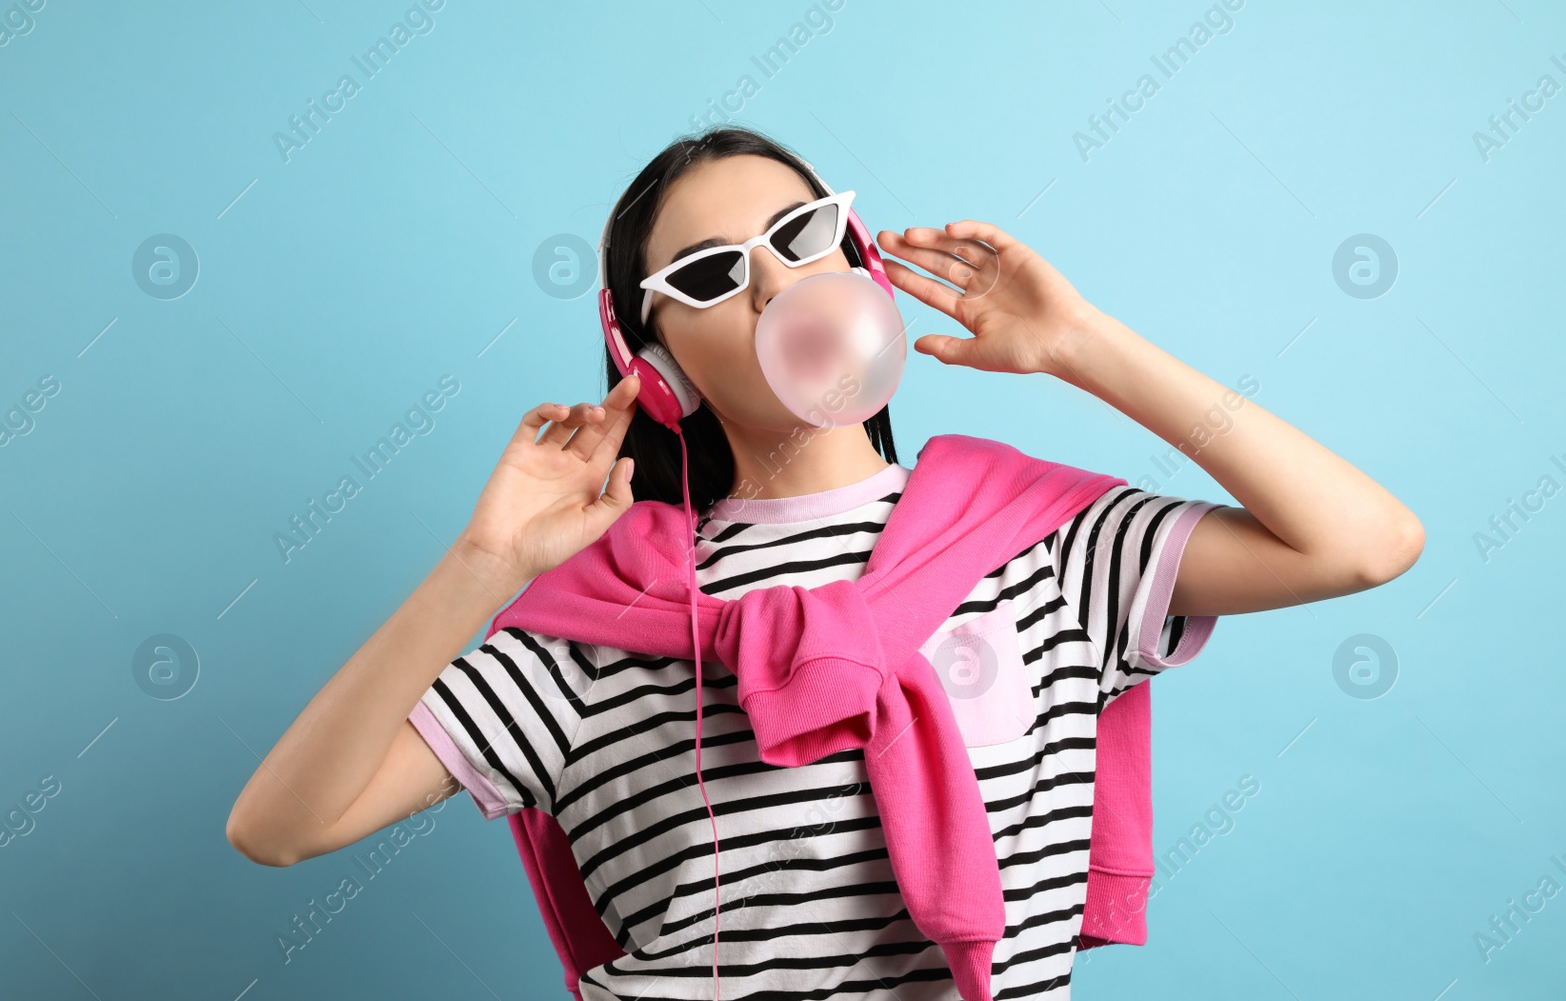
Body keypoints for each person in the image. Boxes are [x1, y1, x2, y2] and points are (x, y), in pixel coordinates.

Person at [226, 126, 1424, 999]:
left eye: (798, 235)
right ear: (657, 362)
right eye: (707, 274)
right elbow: (280, 826)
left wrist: (1080, 345)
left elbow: (1363, 541)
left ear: (856, 258)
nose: (774, 283)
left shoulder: (1037, 540)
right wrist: (485, 562)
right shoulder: (597, 623)